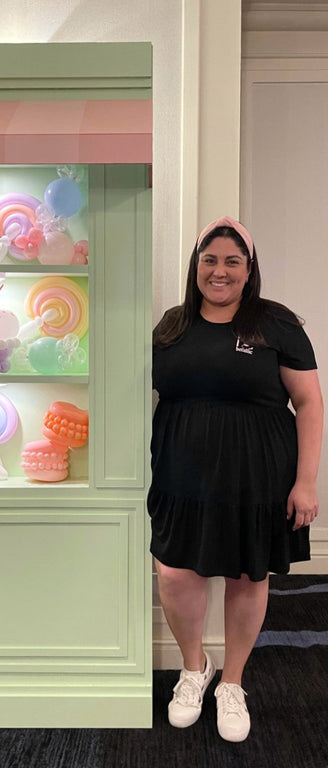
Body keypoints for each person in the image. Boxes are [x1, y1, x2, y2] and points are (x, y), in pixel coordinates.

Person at [147, 215, 323, 742]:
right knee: (178, 574)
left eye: (232, 261)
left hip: (259, 474)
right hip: (182, 472)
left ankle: (233, 681)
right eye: (209, 260)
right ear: (196, 266)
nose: (219, 271)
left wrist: (306, 482)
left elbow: (310, 402)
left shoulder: (276, 324)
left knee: (248, 576)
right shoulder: (172, 325)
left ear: (249, 270)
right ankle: (193, 668)